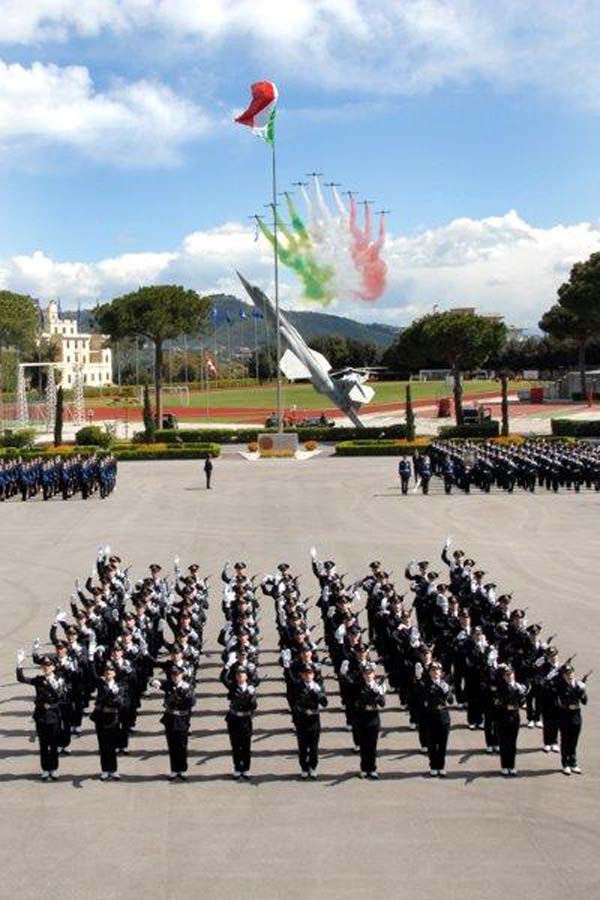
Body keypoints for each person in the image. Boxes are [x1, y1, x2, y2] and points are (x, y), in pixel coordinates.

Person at [16, 650, 66, 781]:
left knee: (54, 745)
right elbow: (22, 679)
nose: (46, 668)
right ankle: (45, 769)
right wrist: (19, 664)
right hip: (41, 717)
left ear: (53, 667)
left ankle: (54, 769)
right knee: (43, 745)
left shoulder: (59, 681)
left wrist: (52, 706)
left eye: (49, 665)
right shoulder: (39, 680)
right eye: (44, 666)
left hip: (54, 716)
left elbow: (63, 699)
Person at [152, 664, 196, 780]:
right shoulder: (168, 684)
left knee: (182, 745)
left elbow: (192, 702)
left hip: (182, 718)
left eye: (177, 674)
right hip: (170, 718)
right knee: (172, 745)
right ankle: (174, 769)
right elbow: (153, 681)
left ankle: (182, 769)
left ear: (182, 675)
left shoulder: (187, 686)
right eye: (173, 674)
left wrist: (187, 693)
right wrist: (154, 683)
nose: (175, 677)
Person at [90, 659, 125, 781]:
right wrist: (91, 658)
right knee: (103, 745)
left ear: (115, 673)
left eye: (111, 670)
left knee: (112, 745)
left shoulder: (119, 686)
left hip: (113, 718)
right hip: (101, 717)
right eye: (106, 670)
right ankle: (105, 770)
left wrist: (115, 696)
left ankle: (113, 770)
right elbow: (93, 674)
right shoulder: (101, 683)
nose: (108, 672)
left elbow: (121, 704)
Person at [292, 665, 328, 779]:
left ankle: (313, 767)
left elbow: (324, 703)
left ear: (313, 675)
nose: (308, 675)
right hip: (302, 719)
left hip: (314, 718)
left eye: (310, 673)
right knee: (302, 746)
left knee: (313, 746)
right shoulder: (297, 686)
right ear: (302, 675)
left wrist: (317, 693)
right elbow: (293, 701)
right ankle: (304, 767)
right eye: (306, 673)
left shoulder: (318, 686)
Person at [555, 664, 588, 775]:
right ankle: (565, 764)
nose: (570, 676)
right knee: (565, 741)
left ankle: (573, 763)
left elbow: (584, 702)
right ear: (563, 676)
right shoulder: (560, 686)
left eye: (571, 673)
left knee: (574, 741)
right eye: (567, 674)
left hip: (576, 716)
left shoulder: (578, 685)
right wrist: (577, 689)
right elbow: (565, 699)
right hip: (565, 716)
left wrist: (582, 691)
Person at [353, 665, 386, 779]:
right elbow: (355, 702)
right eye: (366, 673)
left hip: (373, 717)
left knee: (372, 745)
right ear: (363, 675)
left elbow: (382, 704)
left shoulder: (377, 686)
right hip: (362, 717)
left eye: (370, 673)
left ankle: (372, 769)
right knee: (363, 744)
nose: (368, 675)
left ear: (373, 674)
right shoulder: (359, 687)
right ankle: (363, 768)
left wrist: (377, 694)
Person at [421, 661, 453, 777]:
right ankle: (433, 766)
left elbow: (450, 701)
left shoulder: (444, 684)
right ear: (429, 672)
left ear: (441, 672)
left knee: (443, 744)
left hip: (443, 716)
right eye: (433, 670)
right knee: (432, 743)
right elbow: (422, 698)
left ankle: (441, 766)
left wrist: (447, 691)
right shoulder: (425, 684)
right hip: (431, 716)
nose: (435, 672)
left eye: (437, 670)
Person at [226, 667, 257, 780]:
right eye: (238, 674)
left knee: (246, 745)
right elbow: (224, 678)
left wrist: (251, 696)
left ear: (246, 677)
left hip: (245, 719)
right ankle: (237, 768)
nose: (240, 676)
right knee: (235, 745)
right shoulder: (232, 687)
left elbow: (254, 706)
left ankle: (246, 768)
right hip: (234, 718)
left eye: (243, 674)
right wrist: (228, 667)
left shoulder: (250, 689)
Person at [495, 664, 527, 777]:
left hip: (514, 716)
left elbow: (522, 703)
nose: (509, 677)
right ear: (504, 677)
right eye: (507, 675)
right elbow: (499, 702)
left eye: (511, 674)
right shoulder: (501, 688)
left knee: (512, 743)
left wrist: (522, 694)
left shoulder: (518, 687)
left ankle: (512, 766)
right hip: (503, 716)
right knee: (504, 742)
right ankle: (504, 766)